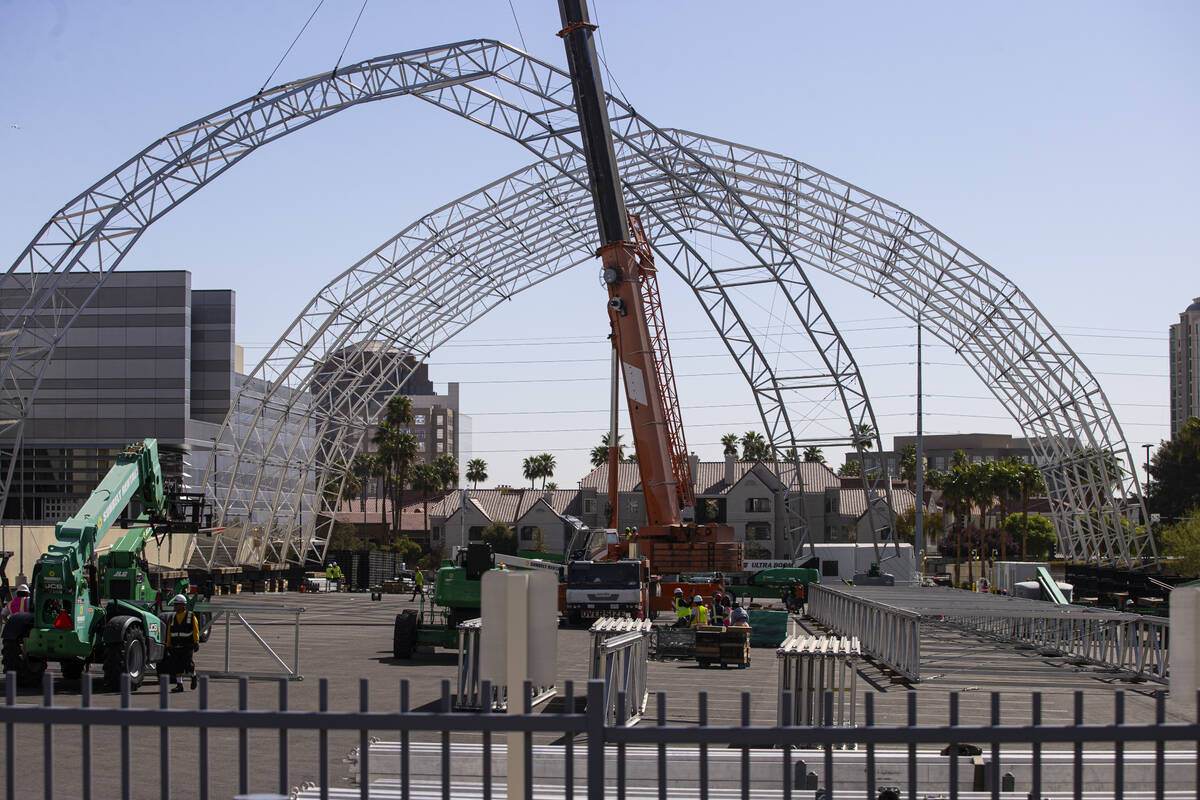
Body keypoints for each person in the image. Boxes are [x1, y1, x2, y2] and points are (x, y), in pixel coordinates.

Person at [164, 594, 199, 693]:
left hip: (187, 646)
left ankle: (193, 676)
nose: (175, 607)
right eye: (175, 605)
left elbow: (195, 629)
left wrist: (196, 642)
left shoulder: (191, 616)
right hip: (175, 646)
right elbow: (169, 632)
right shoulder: (172, 617)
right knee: (176, 666)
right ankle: (179, 685)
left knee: (188, 664)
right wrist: (168, 644)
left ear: (183, 605)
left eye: (177, 605)